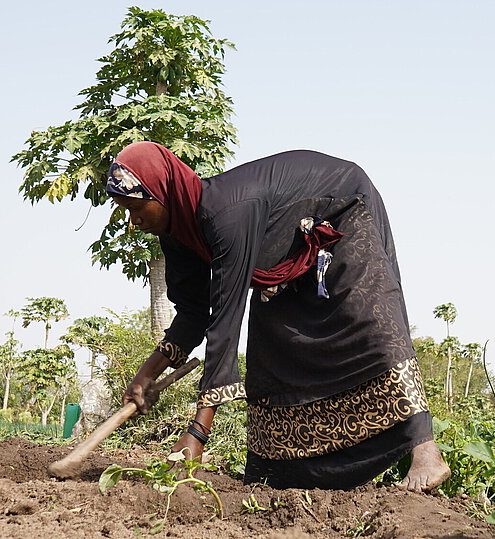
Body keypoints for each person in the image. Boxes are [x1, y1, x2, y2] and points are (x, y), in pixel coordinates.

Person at [106, 141, 450, 492]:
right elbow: (194, 314)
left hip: (343, 207)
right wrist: (146, 375)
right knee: (274, 342)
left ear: (163, 192)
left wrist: (196, 434)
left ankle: (425, 454)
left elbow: (225, 322)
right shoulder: (180, 235)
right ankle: (284, 476)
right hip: (289, 249)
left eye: (135, 207)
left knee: (368, 321)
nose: (134, 221)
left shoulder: (225, 214)